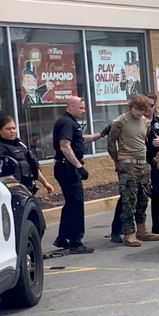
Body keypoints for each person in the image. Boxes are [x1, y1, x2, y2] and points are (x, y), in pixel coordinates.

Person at [52, 96, 111, 254]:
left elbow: (79, 139)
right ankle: (76, 243)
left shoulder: (70, 122)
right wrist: (79, 167)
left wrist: (101, 134)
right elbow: (65, 146)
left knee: (71, 203)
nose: (84, 111)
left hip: (66, 167)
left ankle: (62, 238)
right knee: (76, 204)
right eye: (81, 108)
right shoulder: (66, 122)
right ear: (71, 106)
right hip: (67, 168)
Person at [110, 93, 159, 243]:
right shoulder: (120, 121)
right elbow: (111, 143)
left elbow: (145, 142)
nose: (138, 112)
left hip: (143, 163)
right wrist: (117, 162)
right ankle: (129, 232)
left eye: (141, 110)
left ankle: (141, 230)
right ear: (131, 107)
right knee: (129, 199)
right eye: (136, 109)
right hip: (127, 163)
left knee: (143, 198)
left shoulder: (146, 123)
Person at [0, 115, 54, 195]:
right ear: (0, 130)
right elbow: (0, 175)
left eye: (14, 128)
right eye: (8, 129)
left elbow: (33, 165)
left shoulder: (21, 144)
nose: (12, 131)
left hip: (28, 190)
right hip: (13, 193)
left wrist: (45, 183)